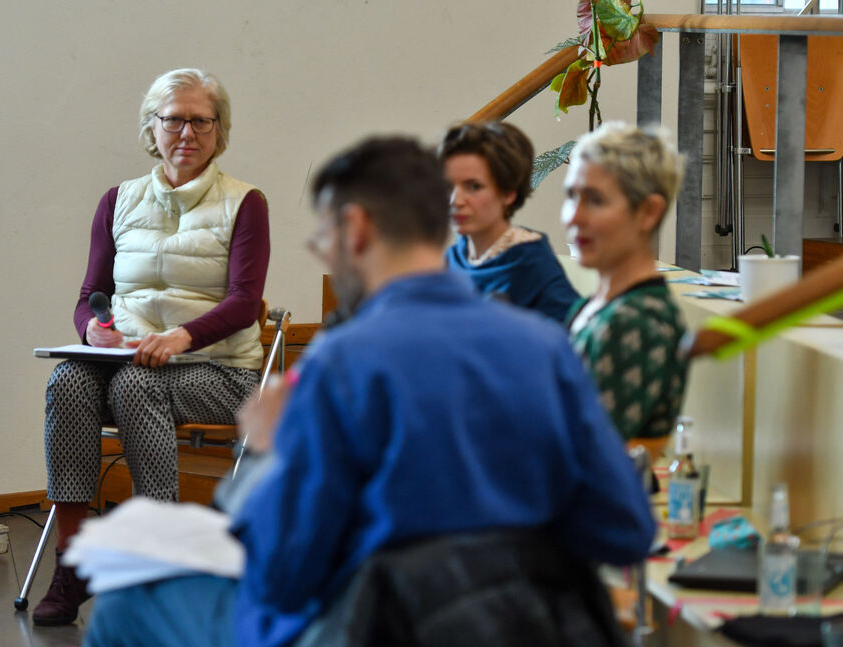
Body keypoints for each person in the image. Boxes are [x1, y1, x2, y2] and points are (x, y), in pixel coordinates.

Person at [82, 136, 655, 647]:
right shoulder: (546, 347)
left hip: (374, 623)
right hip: (534, 623)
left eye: (324, 233)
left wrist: (264, 451)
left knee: (124, 607)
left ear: (355, 228)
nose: (321, 249)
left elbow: (285, 574)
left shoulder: (342, 364)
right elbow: (625, 529)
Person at [33, 68, 270, 626]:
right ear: (152, 128)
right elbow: (92, 295)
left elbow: (244, 301)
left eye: (201, 121)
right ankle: (75, 561)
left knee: (140, 383)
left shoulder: (245, 203)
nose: (186, 132)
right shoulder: (118, 200)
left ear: (219, 131)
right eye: (174, 119)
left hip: (220, 372)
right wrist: (92, 329)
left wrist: (182, 336)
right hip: (127, 363)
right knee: (67, 379)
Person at [563, 122, 688, 444]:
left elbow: (586, 454)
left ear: (648, 212)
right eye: (571, 195)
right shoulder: (594, 307)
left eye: (594, 200)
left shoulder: (635, 321)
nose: (573, 217)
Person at [439, 121, 579, 322]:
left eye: (474, 186)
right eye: (448, 186)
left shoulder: (531, 262)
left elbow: (571, 339)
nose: (456, 200)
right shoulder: (451, 259)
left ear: (508, 193)